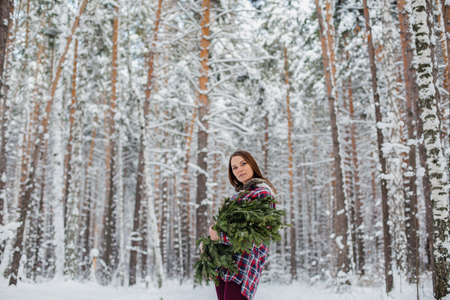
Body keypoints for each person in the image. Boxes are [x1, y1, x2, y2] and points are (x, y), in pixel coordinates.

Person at [209, 150, 276, 300]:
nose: (239, 169)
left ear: (252, 164)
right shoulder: (237, 196)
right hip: (225, 264)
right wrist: (211, 241)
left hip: (243, 265)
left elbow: (254, 237)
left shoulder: (262, 193)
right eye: (234, 168)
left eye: (243, 164)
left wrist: (220, 236)